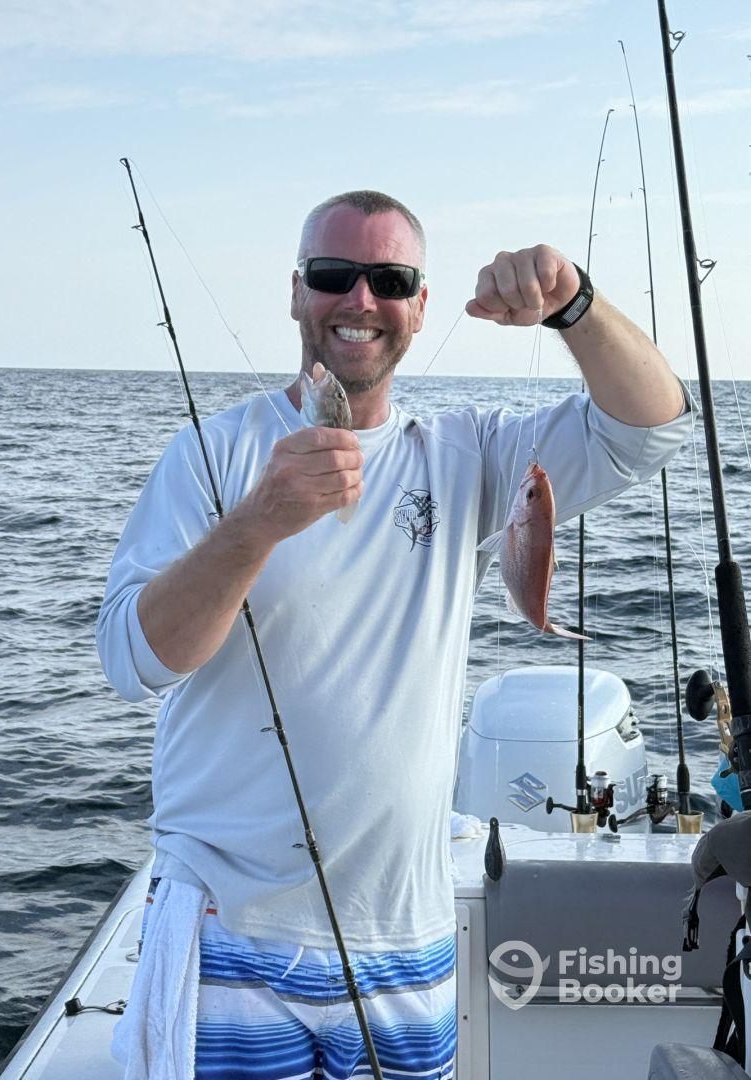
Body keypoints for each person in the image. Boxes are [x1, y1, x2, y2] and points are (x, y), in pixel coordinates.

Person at [98, 190, 690, 1079]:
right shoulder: (213, 455)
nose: (361, 299)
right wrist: (257, 523)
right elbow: (133, 661)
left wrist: (573, 303)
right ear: (296, 292)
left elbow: (651, 429)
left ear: (419, 305)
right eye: (333, 274)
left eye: (391, 280)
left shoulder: (471, 457)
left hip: (405, 935)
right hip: (227, 925)